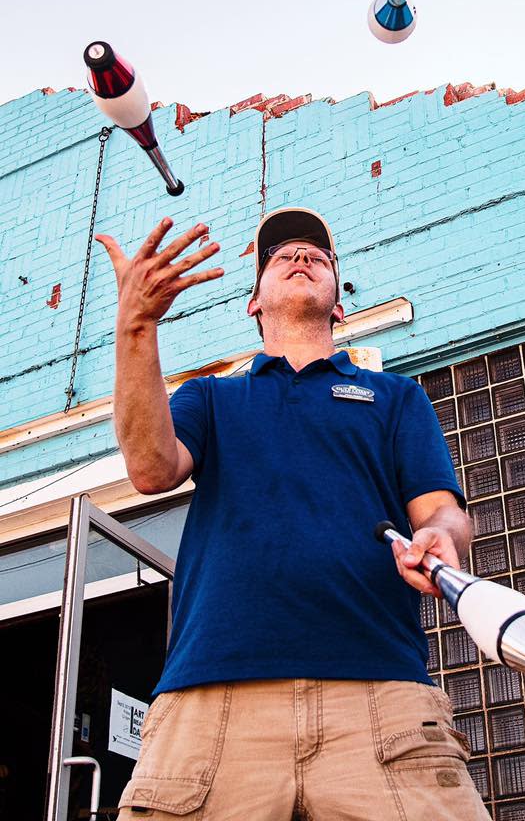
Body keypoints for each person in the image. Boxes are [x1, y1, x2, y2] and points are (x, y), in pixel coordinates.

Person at [96, 206, 490, 821]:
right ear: (255, 303)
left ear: (339, 304)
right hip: (213, 700)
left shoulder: (395, 397)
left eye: (319, 256)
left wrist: (440, 536)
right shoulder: (213, 397)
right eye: (281, 256)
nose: (301, 258)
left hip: (380, 694)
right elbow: (150, 468)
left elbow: (440, 507)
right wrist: (136, 326)